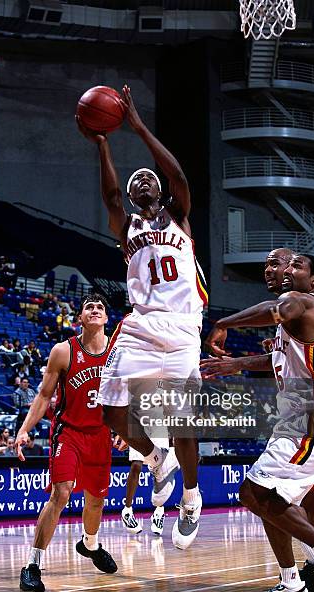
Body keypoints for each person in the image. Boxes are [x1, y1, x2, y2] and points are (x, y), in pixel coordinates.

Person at [78, 85, 208, 550]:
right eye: (135, 185)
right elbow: (111, 195)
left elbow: (178, 175)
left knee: (183, 423)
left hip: (182, 326)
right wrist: (104, 143)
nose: (141, 184)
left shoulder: (180, 218)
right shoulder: (127, 226)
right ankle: (158, 461)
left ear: (160, 189)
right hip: (139, 325)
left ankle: (191, 498)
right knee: (111, 408)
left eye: (147, 180)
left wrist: (137, 127)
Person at [204, 253, 314, 592]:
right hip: (302, 414)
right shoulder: (295, 323)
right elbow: (277, 358)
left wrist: (224, 322)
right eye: (273, 266)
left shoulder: (300, 303)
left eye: (293, 265)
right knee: (274, 500)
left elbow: (274, 309)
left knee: (253, 492)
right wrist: (236, 364)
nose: (278, 270)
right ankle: (291, 583)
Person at [15, 293, 117, 592]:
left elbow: (129, 391)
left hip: (101, 434)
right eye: (89, 307)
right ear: (81, 318)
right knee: (62, 493)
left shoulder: (118, 349)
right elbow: (44, 395)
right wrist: (24, 430)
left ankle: (90, 544)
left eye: (100, 307)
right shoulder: (63, 351)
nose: (95, 309)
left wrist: (127, 429)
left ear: (106, 318)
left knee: (96, 500)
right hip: (69, 432)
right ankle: (33, 564)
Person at [122, 436, 170, 537]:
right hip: (139, 424)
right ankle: (127, 510)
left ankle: (159, 511)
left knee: (160, 468)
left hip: (159, 426)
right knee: (136, 465)